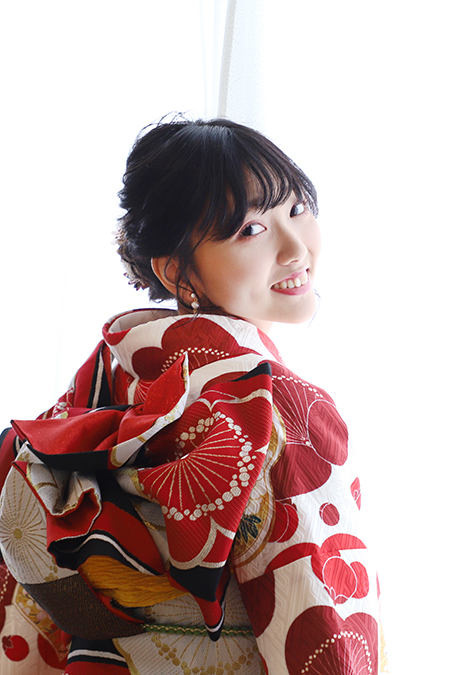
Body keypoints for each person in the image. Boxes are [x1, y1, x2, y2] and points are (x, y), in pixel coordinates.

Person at [0, 117, 388, 674]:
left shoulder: (101, 377)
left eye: (298, 208)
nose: (295, 247)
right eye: (251, 229)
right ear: (178, 271)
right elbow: (321, 627)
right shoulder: (277, 404)